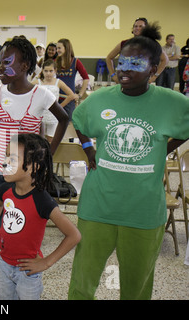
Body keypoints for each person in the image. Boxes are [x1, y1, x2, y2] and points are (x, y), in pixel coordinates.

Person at [68, 23, 189, 300]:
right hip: (98, 206)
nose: (124, 69)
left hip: (144, 212)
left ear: (154, 68)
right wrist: (88, 148)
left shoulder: (171, 102)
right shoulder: (99, 100)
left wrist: (166, 148)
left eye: (135, 63)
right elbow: (78, 120)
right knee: (82, 283)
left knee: (136, 288)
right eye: (122, 62)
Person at [0, 37, 69, 300]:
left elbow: (63, 118)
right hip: (0, 171)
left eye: (8, 61)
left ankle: (25, 269)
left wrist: (48, 153)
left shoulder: (42, 94)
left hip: (28, 175)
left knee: (23, 224)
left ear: (25, 64)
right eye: (1, 61)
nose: (1, 66)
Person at [0, 133, 80, 300]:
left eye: (13, 159)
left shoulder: (42, 200)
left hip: (27, 272)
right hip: (2, 263)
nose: (5, 162)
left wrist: (46, 262)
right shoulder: (6, 189)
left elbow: (74, 235)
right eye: (6, 155)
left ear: (34, 166)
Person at [106, 17, 168, 84]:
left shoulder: (152, 44)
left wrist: (154, 77)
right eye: (135, 26)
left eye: (141, 26)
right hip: (125, 81)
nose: (137, 28)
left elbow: (165, 60)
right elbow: (109, 58)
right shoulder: (125, 43)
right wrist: (113, 76)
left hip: (143, 81)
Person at [37, 59, 78, 142]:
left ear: (55, 71)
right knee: (40, 141)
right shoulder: (37, 82)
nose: (48, 73)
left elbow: (71, 95)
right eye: (46, 71)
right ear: (42, 71)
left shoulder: (58, 82)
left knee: (51, 140)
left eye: (51, 71)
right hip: (41, 115)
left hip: (53, 116)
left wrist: (60, 106)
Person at [55, 38, 89, 119]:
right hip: (56, 97)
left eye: (59, 48)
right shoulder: (55, 61)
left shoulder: (75, 62)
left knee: (68, 123)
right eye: (57, 48)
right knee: (55, 123)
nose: (57, 50)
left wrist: (80, 95)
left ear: (66, 48)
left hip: (69, 99)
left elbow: (86, 78)